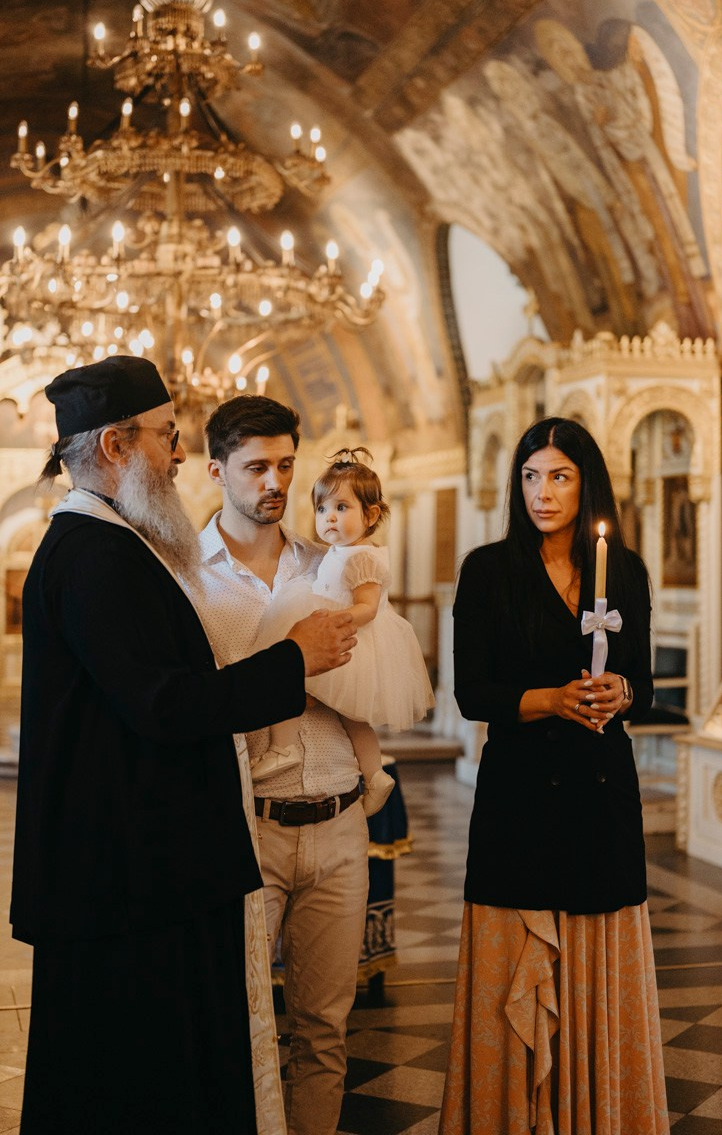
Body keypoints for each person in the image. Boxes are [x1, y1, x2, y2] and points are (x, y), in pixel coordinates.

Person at [11, 356, 356, 1135]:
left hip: (128, 871)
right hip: (123, 879)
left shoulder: (111, 547)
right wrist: (294, 658)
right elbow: (166, 703)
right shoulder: (98, 557)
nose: (176, 454)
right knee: (135, 1081)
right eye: (165, 436)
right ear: (115, 446)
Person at [439, 417, 669, 1135]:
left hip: (600, 790)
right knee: (517, 950)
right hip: (519, 794)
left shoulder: (623, 571)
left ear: (586, 482)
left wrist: (620, 692)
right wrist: (552, 700)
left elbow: (644, 685)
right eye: (530, 476)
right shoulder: (488, 570)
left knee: (596, 949)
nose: (542, 492)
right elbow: (472, 693)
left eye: (559, 477)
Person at [189, 396, 372, 1135]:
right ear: (215, 471)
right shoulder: (185, 577)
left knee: (325, 1029)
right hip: (247, 830)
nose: (275, 482)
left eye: (287, 465)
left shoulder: (329, 563)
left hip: (338, 821)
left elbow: (369, 678)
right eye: (257, 467)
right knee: (236, 1022)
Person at [250, 447, 434, 816]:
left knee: (289, 678)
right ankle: (375, 774)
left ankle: (283, 747)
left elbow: (368, 607)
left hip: (348, 640)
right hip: (342, 638)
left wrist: (333, 619)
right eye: (322, 509)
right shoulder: (340, 551)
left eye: (341, 507)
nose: (329, 517)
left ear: (371, 515)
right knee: (352, 717)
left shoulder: (362, 557)